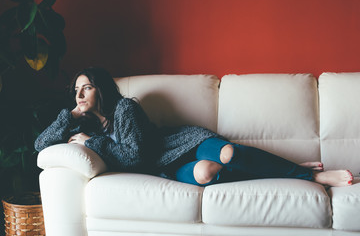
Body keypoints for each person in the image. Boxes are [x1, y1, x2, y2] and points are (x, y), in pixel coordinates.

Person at [35, 67, 354, 187]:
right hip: (165, 168)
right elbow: (40, 145)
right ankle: (289, 167)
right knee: (205, 174)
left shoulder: (125, 108)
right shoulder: (83, 124)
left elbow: (135, 155)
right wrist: (72, 118)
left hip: (182, 145)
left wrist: (92, 142)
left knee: (227, 153)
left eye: (86, 87)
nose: (79, 94)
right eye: (76, 89)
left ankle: (311, 175)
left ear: (101, 90)